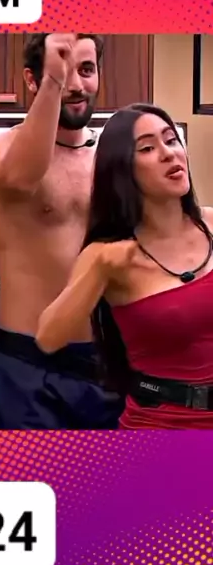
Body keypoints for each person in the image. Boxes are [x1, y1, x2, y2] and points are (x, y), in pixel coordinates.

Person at [37, 103, 213, 429]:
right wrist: (99, 270)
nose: (168, 153)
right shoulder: (108, 255)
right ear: (122, 170)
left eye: (171, 140)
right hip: (161, 429)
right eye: (147, 148)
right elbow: (49, 337)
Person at [0, 33, 123, 429]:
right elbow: (22, 179)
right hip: (25, 365)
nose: (76, 84)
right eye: (62, 72)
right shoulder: (3, 148)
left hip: (104, 364)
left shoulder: (110, 158)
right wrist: (53, 83)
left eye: (86, 70)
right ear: (32, 79)